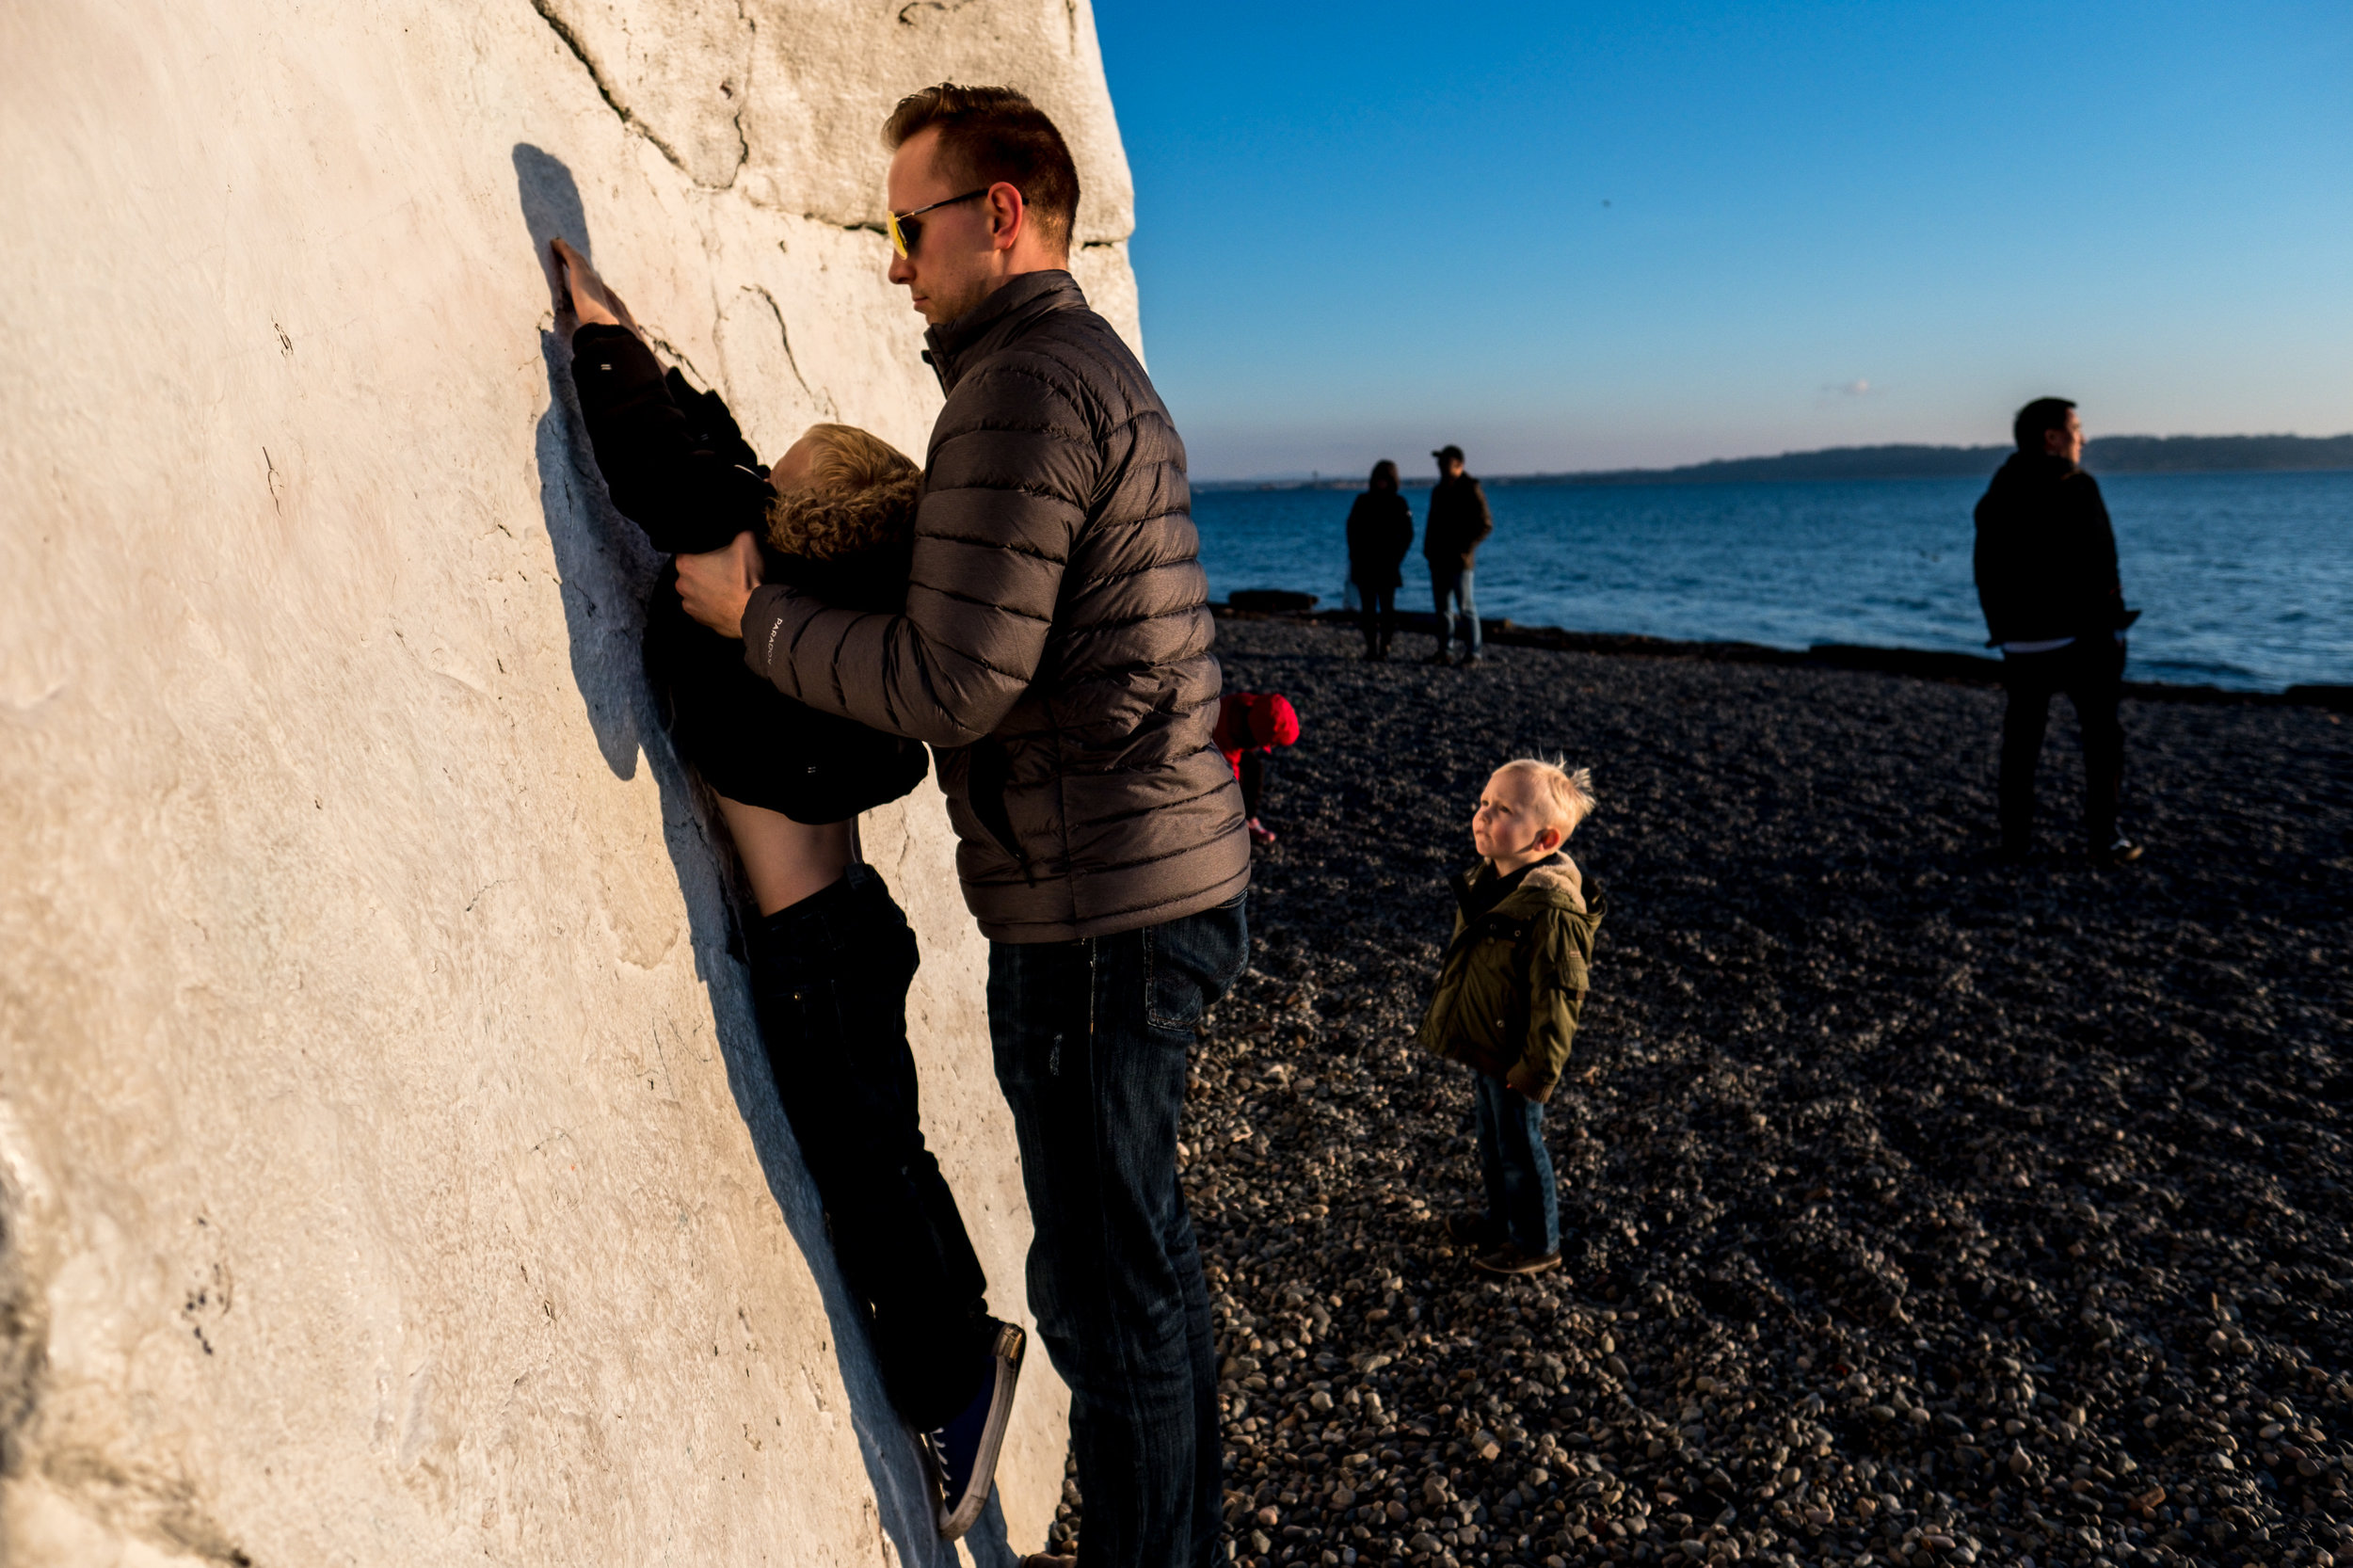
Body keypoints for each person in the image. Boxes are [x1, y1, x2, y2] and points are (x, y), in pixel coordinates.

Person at [672, 84, 1250, 1568]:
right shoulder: (1080, 364)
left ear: (998, 215)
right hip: (1143, 882)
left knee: (1109, 1302)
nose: (889, 262)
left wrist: (759, 618)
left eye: (903, 225)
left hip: (1102, 911)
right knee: (1145, 1273)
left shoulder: (1023, 385)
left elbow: (953, 678)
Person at [552, 239, 1023, 1542]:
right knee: (896, 1153)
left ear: (804, 512)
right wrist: (658, 352)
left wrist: (601, 339)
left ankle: (947, 1392)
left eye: (790, 464)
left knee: (867, 1172)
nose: (771, 458)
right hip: (848, 933)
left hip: (818, 953)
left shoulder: (752, 568)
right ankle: (971, 1346)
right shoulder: (823, 609)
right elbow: (728, 454)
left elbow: (667, 468)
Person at [1417, 759, 1604, 1278]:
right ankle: (1501, 1221)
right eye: (1483, 803)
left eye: (1502, 811)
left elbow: (1560, 997)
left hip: (1518, 1057)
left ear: (1544, 839)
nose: (1482, 816)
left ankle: (1537, 1241)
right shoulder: (1489, 880)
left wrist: (1537, 1071)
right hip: (1487, 1044)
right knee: (1493, 1139)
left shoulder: (1551, 909)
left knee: (1520, 1144)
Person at [1973, 396, 2143, 867]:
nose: (2082, 439)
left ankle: (2014, 842)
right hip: (2080, 641)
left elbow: (1984, 571)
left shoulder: (1996, 493)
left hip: (2021, 643)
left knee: (2022, 741)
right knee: (2101, 739)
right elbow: (2102, 565)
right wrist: (2113, 627)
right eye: (2076, 429)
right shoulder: (2077, 486)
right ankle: (2104, 838)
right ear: (2051, 437)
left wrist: (2002, 632)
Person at [1423, 443, 1494, 665]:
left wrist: (1465, 547)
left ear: (1459, 465)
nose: (1441, 468)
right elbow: (1432, 523)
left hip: (1460, 560)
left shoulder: (1470, 489)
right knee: (1443, 608)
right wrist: (1428, 550)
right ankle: (1446, 650)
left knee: (1466, 607)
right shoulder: (1439, 490)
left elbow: (1485, 524)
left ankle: (1474, 652)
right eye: (1440, 464)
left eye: (1446, 464)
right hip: (1439, 559)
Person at [1344, 459, 1413, 659]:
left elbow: (1407, 534)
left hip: (1388, 565)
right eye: (1379, 478)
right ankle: (1371, 647)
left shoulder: (1399, 503)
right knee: (1368, 610)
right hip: (1365, 564)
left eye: (1385, 478)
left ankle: (1385, 646)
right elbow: (1351, 530)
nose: (1381, 482)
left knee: (1387, 609)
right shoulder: (1362, 501)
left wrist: (1396, 557)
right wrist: (1355, 555)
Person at [1212, 690, 1301, 845]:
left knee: (1254, 768)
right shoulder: (1230, 735)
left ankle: (1249, 816)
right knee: (1231, 788)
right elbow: (1230, 774)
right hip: (1215, 749)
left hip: (1233, 739)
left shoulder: (1248, 705)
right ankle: (1237, 822)